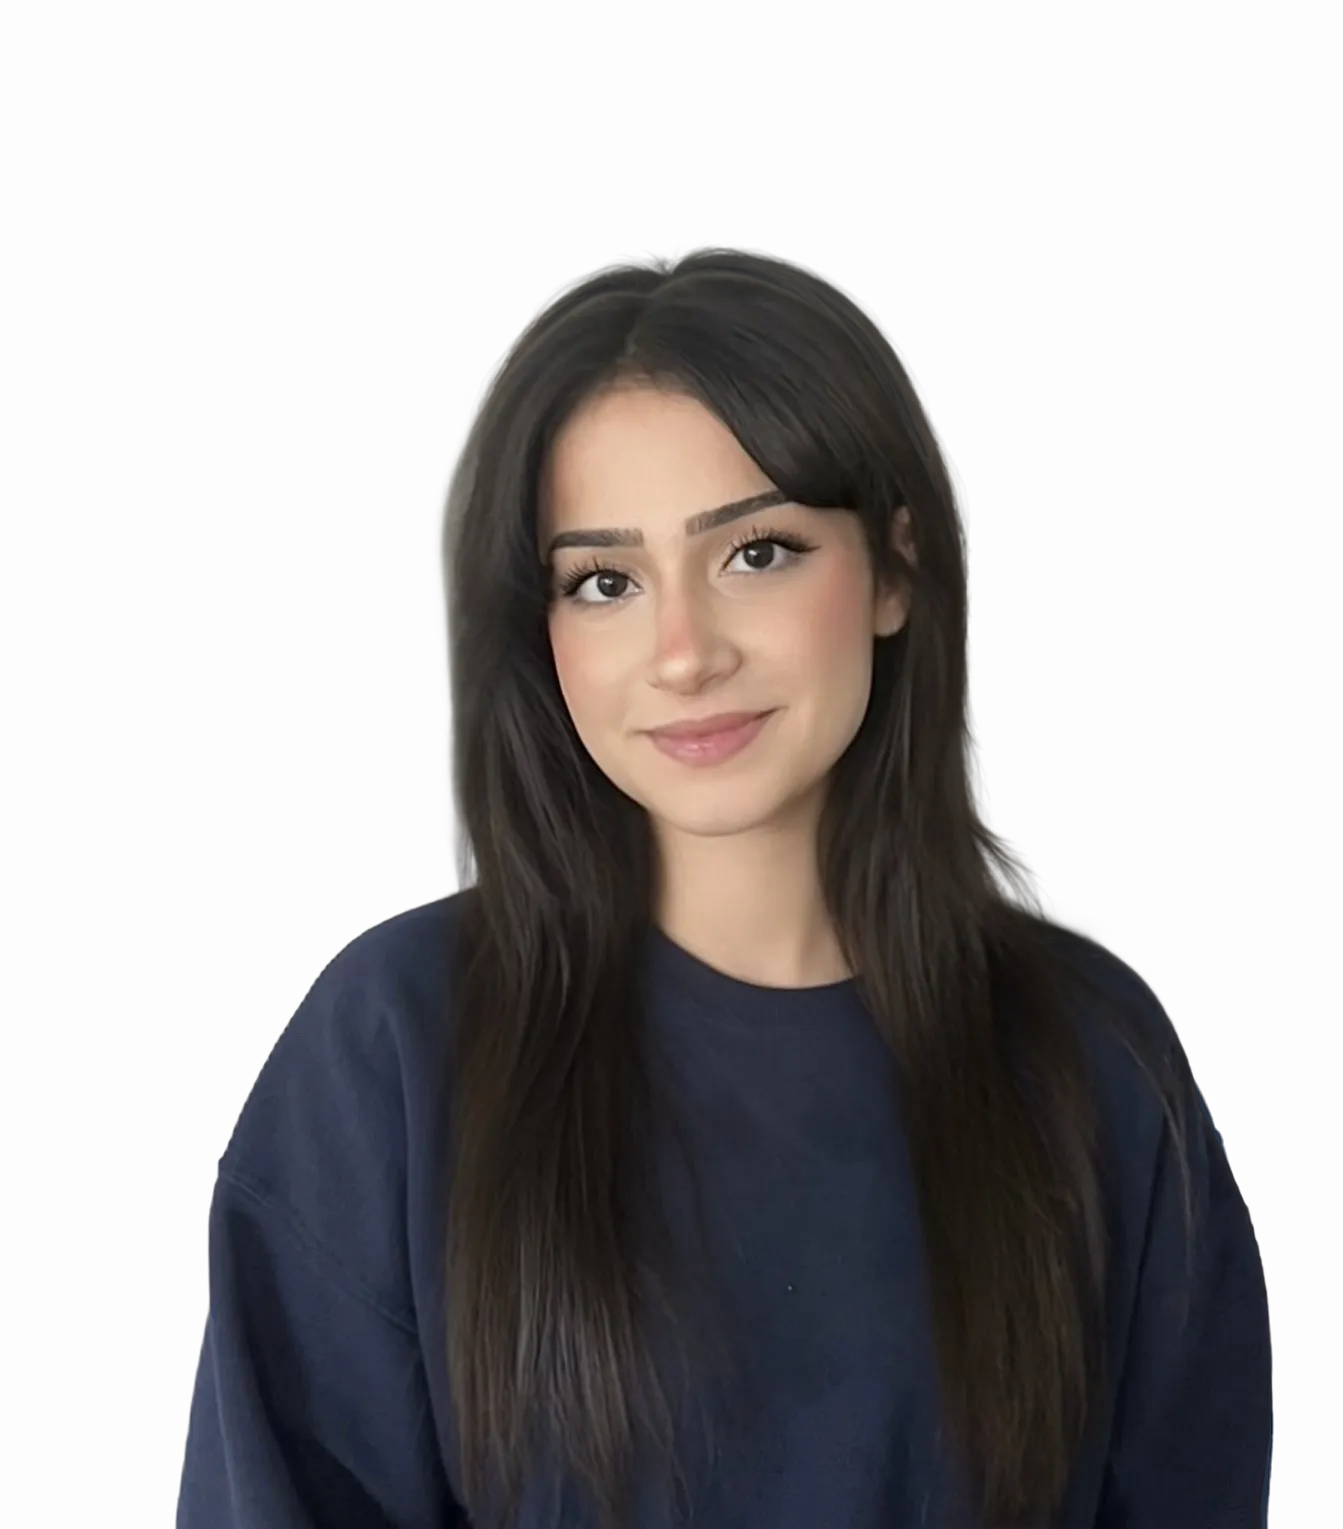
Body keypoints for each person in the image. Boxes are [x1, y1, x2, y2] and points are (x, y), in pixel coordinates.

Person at [176, 248, 1272, 1529]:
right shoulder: (396, 1050)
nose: (684, 652)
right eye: (604, 581)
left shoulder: (1090, 1059)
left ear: (895, 567)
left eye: (755, 552)